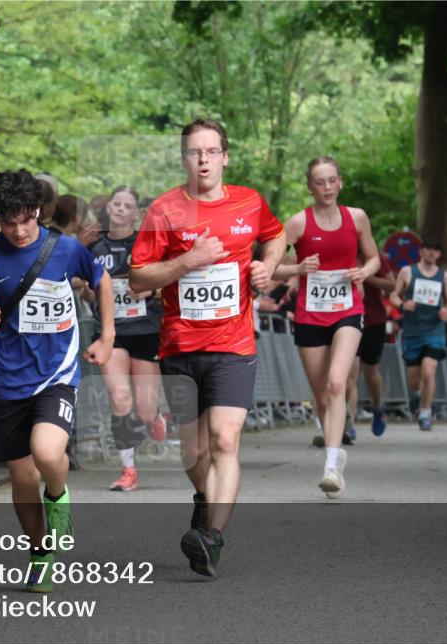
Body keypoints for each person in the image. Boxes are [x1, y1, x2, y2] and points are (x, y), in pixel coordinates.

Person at [129, 119, 286, 577]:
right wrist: (187, 261)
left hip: (234, 344)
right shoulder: (164, 211)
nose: (203, 159)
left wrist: (267, 266)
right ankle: (203, 498)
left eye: (211, 151)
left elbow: (275, 236)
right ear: (184, 158)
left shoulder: (249, 201)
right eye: (194, 152)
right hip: (179, 346)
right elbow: (138, 279)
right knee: (192, 453)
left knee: (224, 440)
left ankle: (213, 538)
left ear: (225, 156)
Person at [0, 169, 113, 593]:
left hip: (58, 371)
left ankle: (58, 495)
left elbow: (102, 280)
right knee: (22, 478)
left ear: (38, 211)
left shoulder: (66, 248)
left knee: (46, 451)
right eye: (10, 222)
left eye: (27, 219)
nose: (20, 230)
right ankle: (40, 554)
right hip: (8, 378)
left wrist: (108, 335)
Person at [273, 156, 380, 498]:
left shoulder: (357, 217)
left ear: (341, 182)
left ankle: (331, 465)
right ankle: (336, 446)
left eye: (332, 180)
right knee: (321, 396)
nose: (327, 188)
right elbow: (268, 268)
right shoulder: (297, 224)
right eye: (320, 182)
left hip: (348, 310)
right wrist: (298, 268)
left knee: (337, 381)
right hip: (309, 314)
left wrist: (364, 272)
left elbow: (374, 257)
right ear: (310, 187)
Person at [81, 185, 165, 492]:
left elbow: (169, 280)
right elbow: (85, 289)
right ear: (108, 209)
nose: (119, 209)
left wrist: (150, 290)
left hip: (145, 330)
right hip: (110, 332)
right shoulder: (95, 249)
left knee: (144, 411)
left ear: (136, 213)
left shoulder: (148, 245)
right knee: (119, 398)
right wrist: (89, 292)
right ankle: (128, 470)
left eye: (126, 205)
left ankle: (154, 419)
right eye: (115, 204)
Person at [389, 239, 447, 430]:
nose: (431, 252)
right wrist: (403, 304)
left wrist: (446, 310)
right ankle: (417, 397)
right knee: (414, 380)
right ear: (421, 251)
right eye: (428, 248)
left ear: (439, 254)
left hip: (434, 331)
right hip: (412, 332)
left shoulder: (444, 277)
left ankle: (426, 412)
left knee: (429, 371)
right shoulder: (408, 271)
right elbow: (394, 295)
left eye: (435, 249)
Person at [346, 254, 396, 437]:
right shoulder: (340, 250)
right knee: (350, 372)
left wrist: (366, 275)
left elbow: (392, 285)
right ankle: (347, 422)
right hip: (348, 317)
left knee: (371, 374)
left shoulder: (374, 256)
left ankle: (378, 407)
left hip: (373, 320)